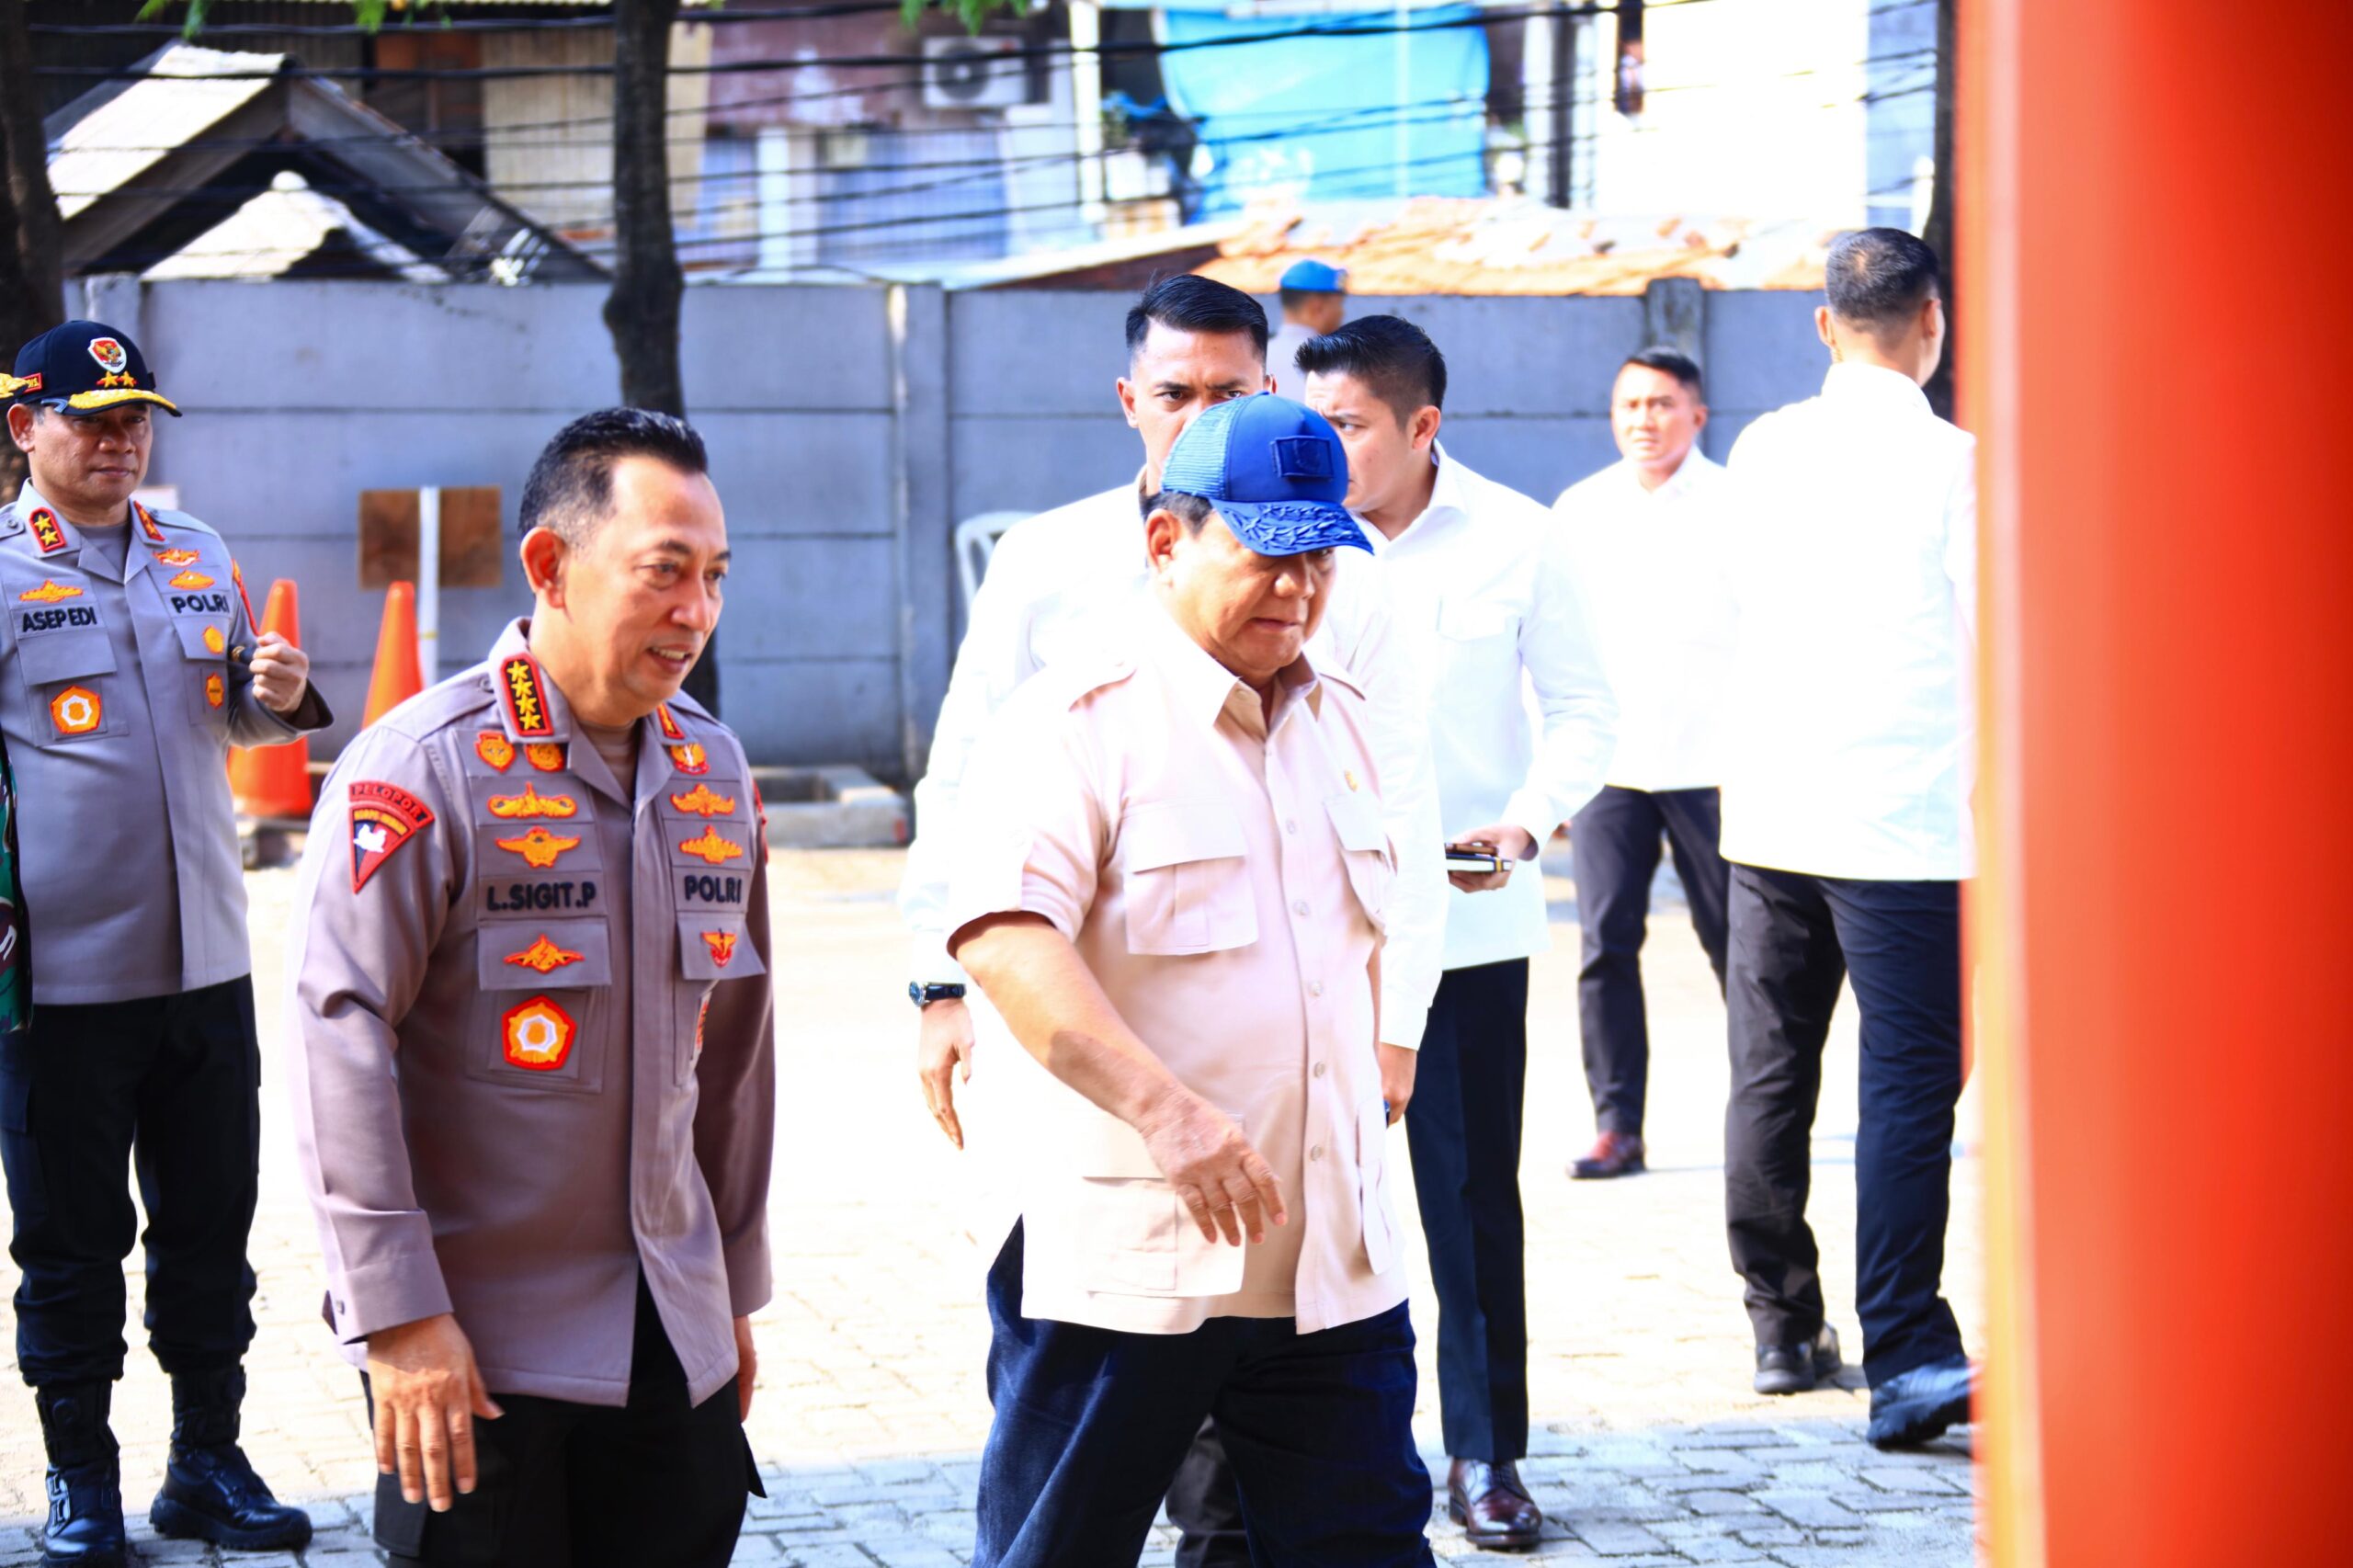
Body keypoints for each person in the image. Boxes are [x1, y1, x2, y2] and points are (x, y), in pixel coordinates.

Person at [900, 272, 1443, 1568]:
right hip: (1126, 1256)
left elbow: (1382, 903)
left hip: (1327, 1259)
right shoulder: (1074, 721)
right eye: (1265, 554)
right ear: (1165, 542)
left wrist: (1394, 1038)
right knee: (1054, 1551)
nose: (1296, 588)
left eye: (1318, 556)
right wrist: (1169, 1111)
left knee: (1367, 1552)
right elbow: (1006, 936)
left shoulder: (1340, 718)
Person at [285, 409, 776, 1565]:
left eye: (714, 576)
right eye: (664, 570)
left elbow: (737, 1058)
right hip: (477, 1350)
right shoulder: (425, 766)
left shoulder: (715, 769)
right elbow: (336, 1036)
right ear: (551, 566)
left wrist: (727, 1295)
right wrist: (398, 1313)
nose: (696, 610)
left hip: (670, 1335)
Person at [0, 321, 329, 1565]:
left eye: (135, 417)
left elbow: (233, 712)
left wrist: (277, 695)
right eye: (92, 419)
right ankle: (82, 1479)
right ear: (25, 426)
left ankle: (206, 1463)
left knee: (209, 1232)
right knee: (68, 1246)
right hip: (62, 983)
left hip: (205, 970)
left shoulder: (195, 549)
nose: (119, 439)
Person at [1302, 317, 1617, 1549]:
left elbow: (1585, 712)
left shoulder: (1519, 537)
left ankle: (1486, 1450)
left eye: (1346, 427)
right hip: (1310, 929)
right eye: (1311, 421)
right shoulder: (1283, 536)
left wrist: (1527, 820)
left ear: (1420, 425)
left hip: (1469, 928)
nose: (1322, 449)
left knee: (1473, 1197)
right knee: (1295, 1193)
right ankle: (1276, 1452)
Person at [1717, 228, 1977, 1445]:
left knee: (1772, 1072)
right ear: (1933, 321)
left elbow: (1734, 606)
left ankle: (1780, 1324)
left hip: (1771, 809)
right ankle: (1907, 1351)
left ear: (1824, 324)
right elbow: (2002, 640)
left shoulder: (1760, 450)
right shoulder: (1958, 465)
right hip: (1906, 822)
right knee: (1908, 1083)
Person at [1552, 347, 1739, 1181]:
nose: (1644, 420)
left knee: (1741, 950)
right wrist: (1553, 769)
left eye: (1661, 404)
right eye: (1630, 405)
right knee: (1604, 947)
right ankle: (1616, 1127)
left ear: (1697, 415)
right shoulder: (1580, 509)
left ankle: (1765, 1120)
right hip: (1610, 767)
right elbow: (1551, 641)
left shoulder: (1738, 505)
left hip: (1716, 765)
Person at [1266, 259, 1347, 384]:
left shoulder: (1258, 357)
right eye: (1339, 304)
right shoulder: (1340, 364)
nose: (1342, 313)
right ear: (1317, 308)